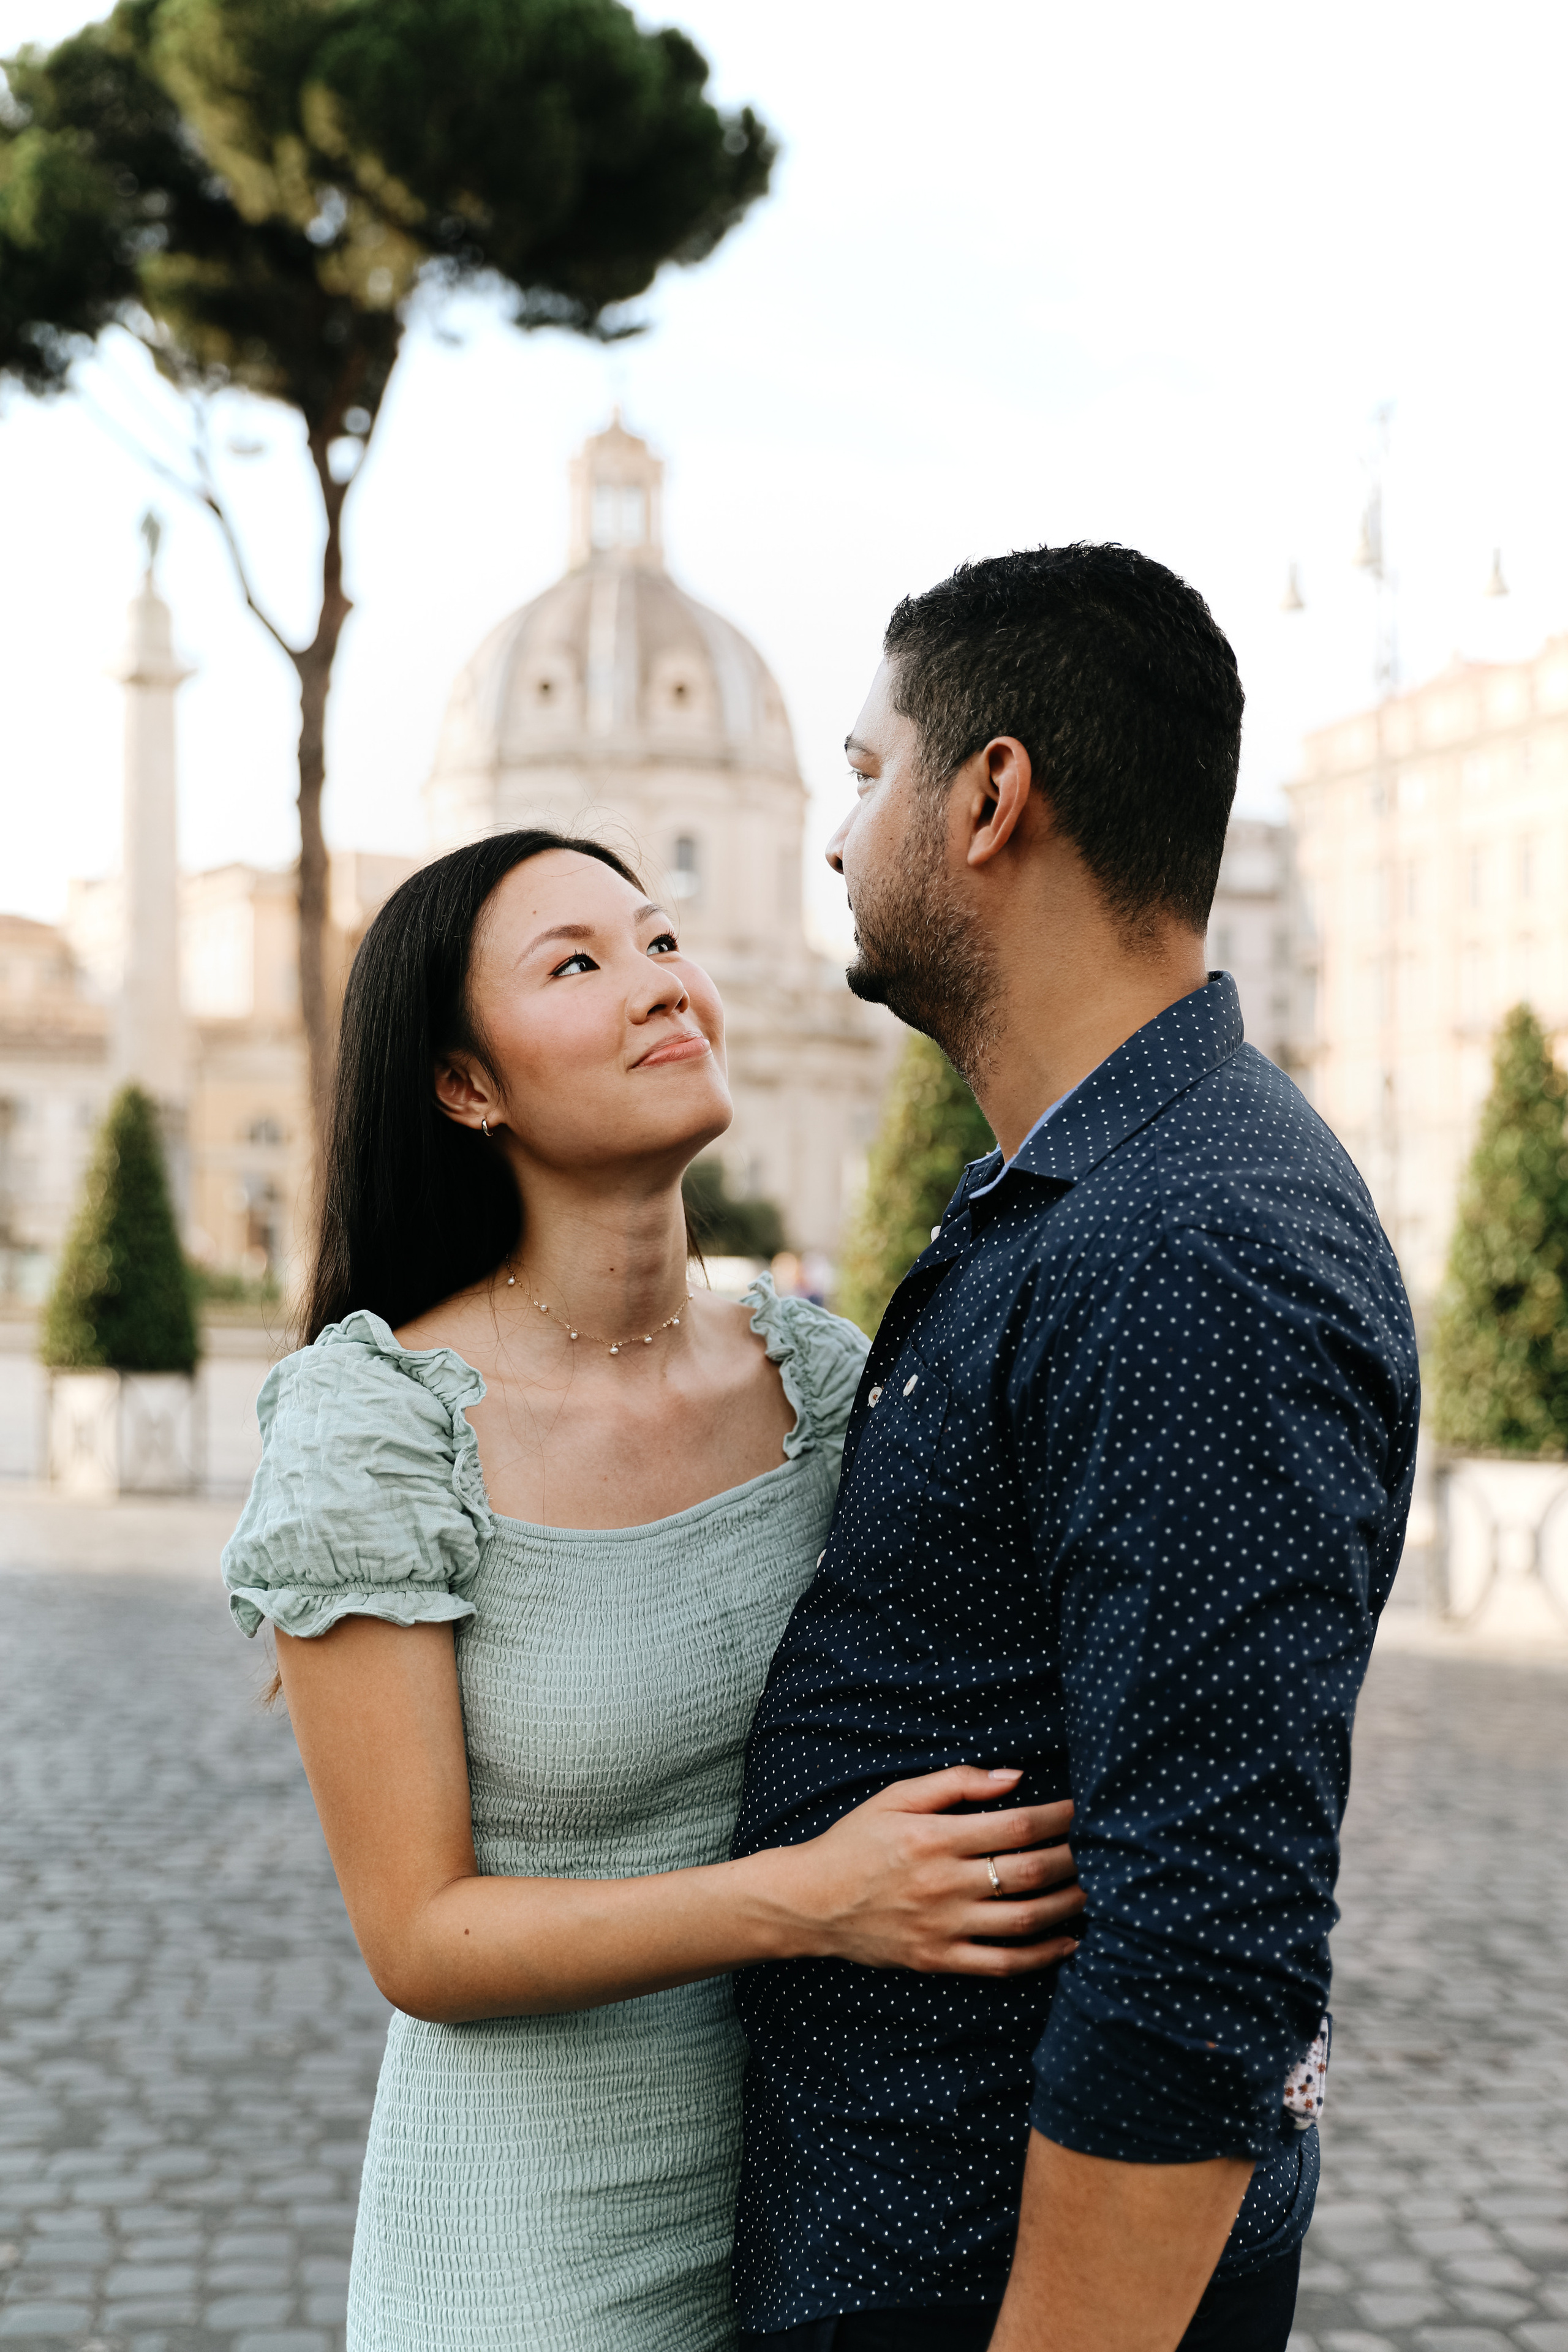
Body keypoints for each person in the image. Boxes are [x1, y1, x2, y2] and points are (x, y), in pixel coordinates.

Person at [219, 829, 1086, 2352]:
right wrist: (813, 1902)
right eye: (578, 965)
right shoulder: (374, 1426)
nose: (657, 987)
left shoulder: (818, 1380)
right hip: (524, 2260)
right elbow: (421, 1940)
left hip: (826, 2230)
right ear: (462, 1086)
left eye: (662, 941)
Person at [731, 546, 1420, 2352]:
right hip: (898, 2233)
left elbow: (1206, 1956)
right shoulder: (1088, 1183)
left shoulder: (1187, 1246)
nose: (835, 833)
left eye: (868, 771)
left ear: (991, 795)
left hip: (968, 2277)